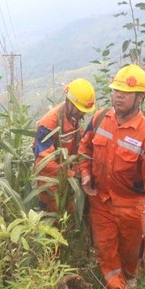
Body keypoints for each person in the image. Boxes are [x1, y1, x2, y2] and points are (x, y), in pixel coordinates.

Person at [78, 64, 145, 289]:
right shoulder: (99, 119)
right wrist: (85, 172)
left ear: (140, 98)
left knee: (130, 255)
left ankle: (127, 281)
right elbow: (85, 148)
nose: (118, 97)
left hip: (131, 207)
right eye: (116, 91)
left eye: (125, 93)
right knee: (105, 251)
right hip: (101, 201)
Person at [33, 78, 96, 213]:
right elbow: (44, 162)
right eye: (79, 110)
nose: (82, 113)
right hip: (51, 186)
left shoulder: (74, 118)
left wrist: (81, 170)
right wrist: (72, 174)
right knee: (53, 221)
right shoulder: (48, 125)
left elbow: (79, 147)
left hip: (67, 182)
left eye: (84, 110)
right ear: (69, 101)